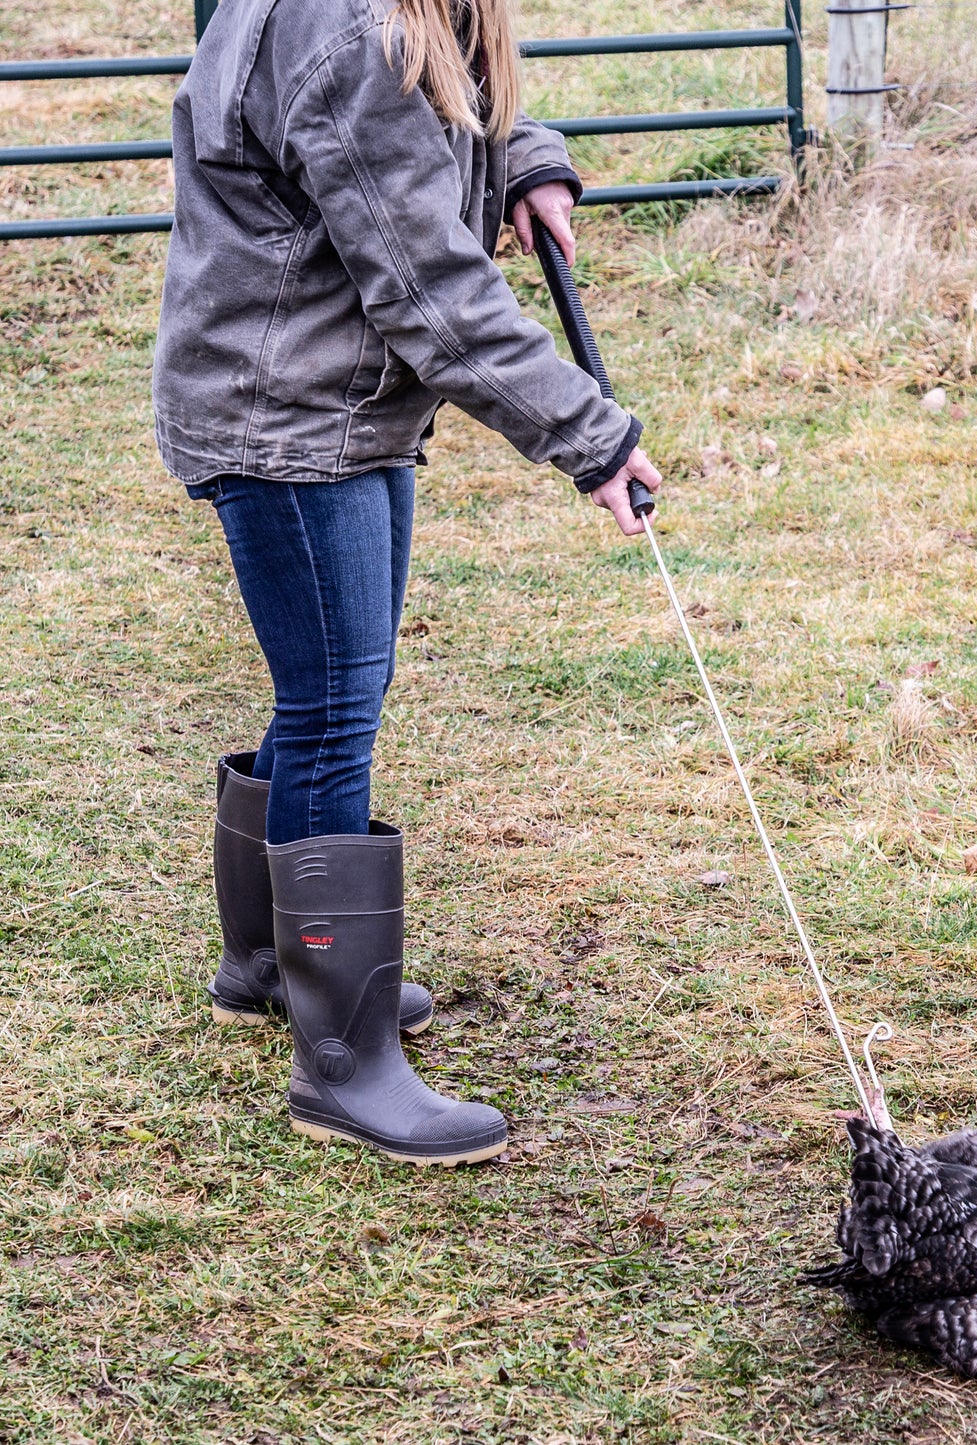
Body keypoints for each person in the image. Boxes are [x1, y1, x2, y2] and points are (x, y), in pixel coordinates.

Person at [153, 0, 662, 1168]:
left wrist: (527, 162)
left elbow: (453, 103)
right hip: (285, 416)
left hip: (337, 404)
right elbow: (429, 287)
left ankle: (270, 964)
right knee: (332, 713)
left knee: (325, 694)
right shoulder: (343, 32)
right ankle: (346, 1066)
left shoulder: (397, 15)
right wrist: (586, 436)